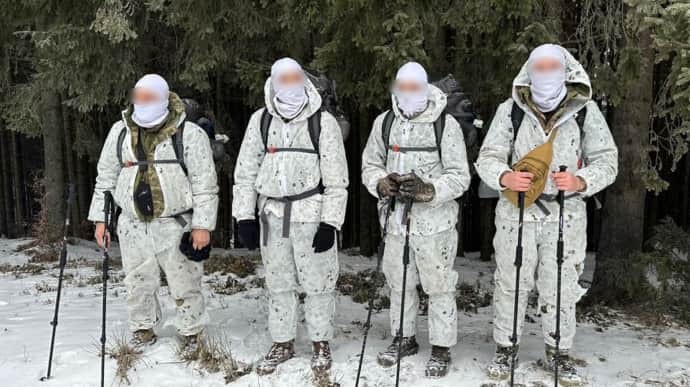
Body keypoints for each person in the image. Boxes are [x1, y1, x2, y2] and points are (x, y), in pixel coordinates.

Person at [476, 44, 618, 384]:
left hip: (565, 215)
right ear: (529, 70)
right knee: (510, 284)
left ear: (566, 70)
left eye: (553, 66)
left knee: (561, 287)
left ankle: (559, 353)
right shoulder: (510, 110)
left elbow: (608, 160)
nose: (546, 72)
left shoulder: (585, 112)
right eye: (539, 66)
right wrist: (504, 176)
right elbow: (487, 156)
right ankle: (505, 349)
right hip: (516, 213)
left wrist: (581, 180)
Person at [232, 58, 349, 376]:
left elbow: (338, 180)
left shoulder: (322, 123)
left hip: (311, 214)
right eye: (283, 78)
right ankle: (282, 342)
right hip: (272, 216)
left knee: (318, 284)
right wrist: (244, 216)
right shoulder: (261, 121)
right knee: (279, 283)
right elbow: (244, 174)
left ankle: (320, 342)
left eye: (295, 77)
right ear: (273, 81)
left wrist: (330, 223)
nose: (290, 83)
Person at [88, 74, 219, 357]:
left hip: (175, 223)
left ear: (162, 98)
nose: (142, 103)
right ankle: (142, 328)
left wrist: (203, 225)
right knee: (137, 281)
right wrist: (101, 219)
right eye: (139, 97)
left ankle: (192, 332)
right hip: (132, 223)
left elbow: (205, 184)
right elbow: (106, 178)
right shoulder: (120, 131)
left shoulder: (189, 134)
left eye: (148, 98)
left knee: (185, 281)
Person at [361, 62, 471, 378]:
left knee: (438, 286)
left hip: (435, 224)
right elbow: (370, 164)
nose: (408, 93)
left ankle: (441, 347)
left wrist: (429, 189)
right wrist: (381, 182)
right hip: (395, 221)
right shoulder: (384, 122)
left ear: (424, 88)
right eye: (403, 86)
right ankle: (403, 337)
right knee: (399, 283)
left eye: (414, 87)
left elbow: (460, 176)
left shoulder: (445, 125)